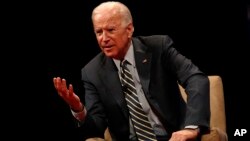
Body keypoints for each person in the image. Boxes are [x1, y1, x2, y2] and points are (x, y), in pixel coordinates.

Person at [53, 1, 210, 141]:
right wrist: (78, 109)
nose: (104, 38)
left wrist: (191, 128)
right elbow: (96, 129)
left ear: (129, 29)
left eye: (111, 30)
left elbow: (195, 78)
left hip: (173, 137)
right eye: (99, 32)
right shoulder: (92, 72)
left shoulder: (158, 47)